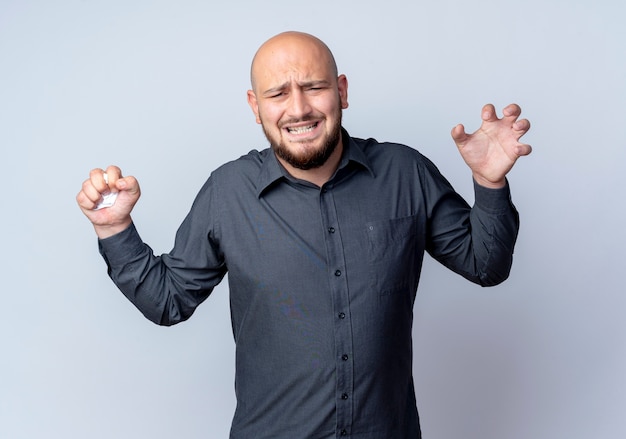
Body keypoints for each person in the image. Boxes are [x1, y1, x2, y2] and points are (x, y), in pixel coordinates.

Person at [77, 31, 531, 439]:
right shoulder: (228, 192)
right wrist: (114, 228)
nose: (299, 108)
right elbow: (167, 301)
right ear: (256, 108)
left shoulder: (404, 173)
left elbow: (486, 265)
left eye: (313, 86)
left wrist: (490, 185)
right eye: (278, 93)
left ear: (342, 91)